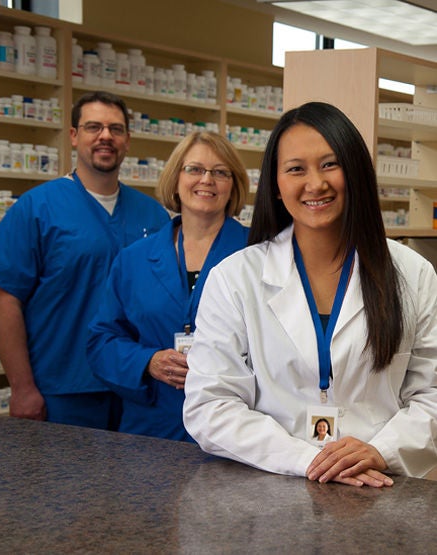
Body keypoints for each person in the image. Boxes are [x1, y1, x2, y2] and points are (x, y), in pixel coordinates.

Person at [183, 101, 437, 486]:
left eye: (330, 164)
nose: (315, 183)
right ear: (277, 185)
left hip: (379, 485)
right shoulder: (235, 278)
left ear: (355, 173)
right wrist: (306, 459)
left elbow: (431, 393)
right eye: (296, 169)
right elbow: (210, 406)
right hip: (271, 488)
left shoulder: (412, 274)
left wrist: (379, 450)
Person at [0, 91, 169, 430]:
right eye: (93, 127)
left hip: (137, 385)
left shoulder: (152, 215)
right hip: (63, 388)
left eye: (115, 129)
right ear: (74, 136)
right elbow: (4, 299)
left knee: (139, 482)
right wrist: (22, 387)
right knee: (64, 483)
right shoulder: (36, 209)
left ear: (128, 140)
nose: (106, 136)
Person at [87, 130, 250, 440]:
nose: (207, 180)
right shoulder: (133, 260)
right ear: (176, 179)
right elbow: (101, 341)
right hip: (151, 430)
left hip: (234, 430)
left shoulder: (258, 253)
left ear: (234, 185)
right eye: (194, 169)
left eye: (220, 172)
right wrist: (147, 362)